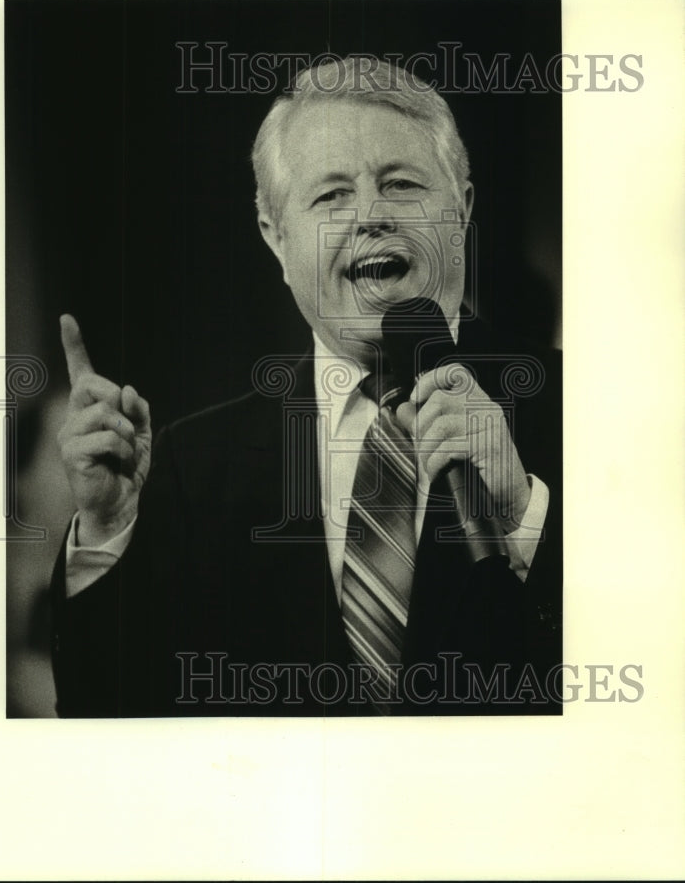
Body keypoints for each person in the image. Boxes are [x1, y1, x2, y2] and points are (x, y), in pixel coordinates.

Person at [50, 57, 561, 717]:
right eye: (330, 196)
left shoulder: (599, 406)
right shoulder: (191, 468)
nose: (370, 215)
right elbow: (107, 716)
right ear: (275, 238)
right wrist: (106, 531)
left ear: (461, 207)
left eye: (401, 184)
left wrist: (524, 518)